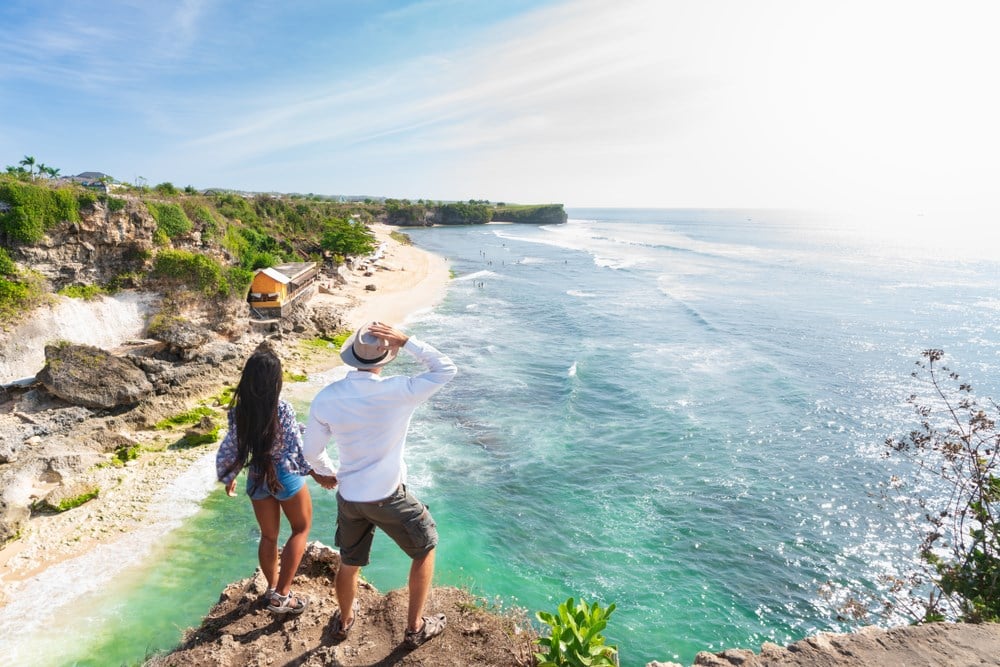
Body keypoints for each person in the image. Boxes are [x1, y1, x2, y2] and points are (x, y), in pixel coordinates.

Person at [303, 321, 457, 647]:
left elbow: (311, 452)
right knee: (425, 547)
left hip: (349, 497)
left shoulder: (326, 397)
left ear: (353, 356)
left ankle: (344, 621)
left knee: (349, 561)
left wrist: (330, 473)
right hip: (388, 496)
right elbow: (445, 369)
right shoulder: (398, 391)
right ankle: (415, 628)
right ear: (386, 357)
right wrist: (408, 341)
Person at [216, 344, 332, 615]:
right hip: (284, 476)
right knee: (301, 529)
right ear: (274, 380)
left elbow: (235, 445)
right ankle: (282, 596)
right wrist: (317, 473)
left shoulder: (239, 411)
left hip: (257, 476)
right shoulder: (282, 408)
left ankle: (272, 588)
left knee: (269, 537)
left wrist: (230, 475)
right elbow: (294, 448)